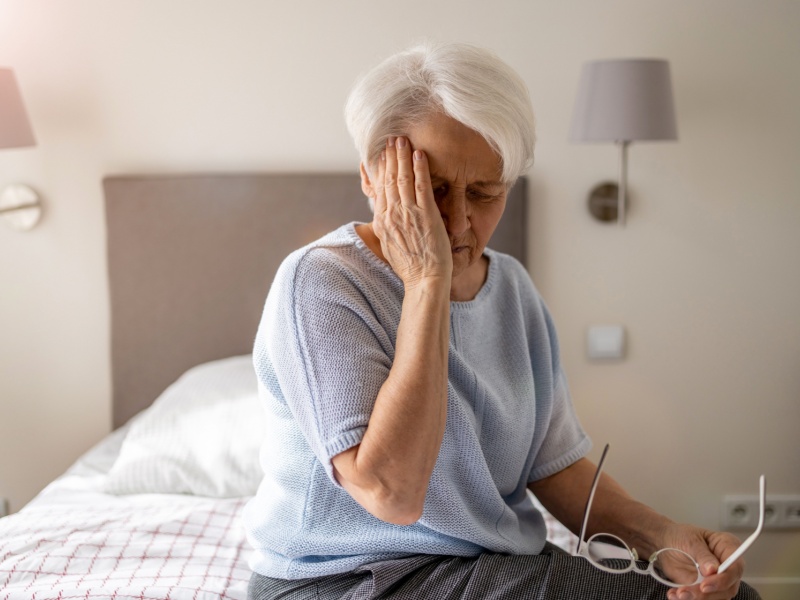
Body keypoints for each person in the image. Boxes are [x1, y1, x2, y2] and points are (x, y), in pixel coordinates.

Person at [243, 42, 760, 600]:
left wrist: (666, 539)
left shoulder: (510, 287)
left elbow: (553, 467)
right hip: (348, 579)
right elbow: (392, 494)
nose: (459, 222)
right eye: (432, 191)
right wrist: (425, 283)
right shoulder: (321, 283)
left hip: (484, 563)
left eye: (484, 192)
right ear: (373, 178)